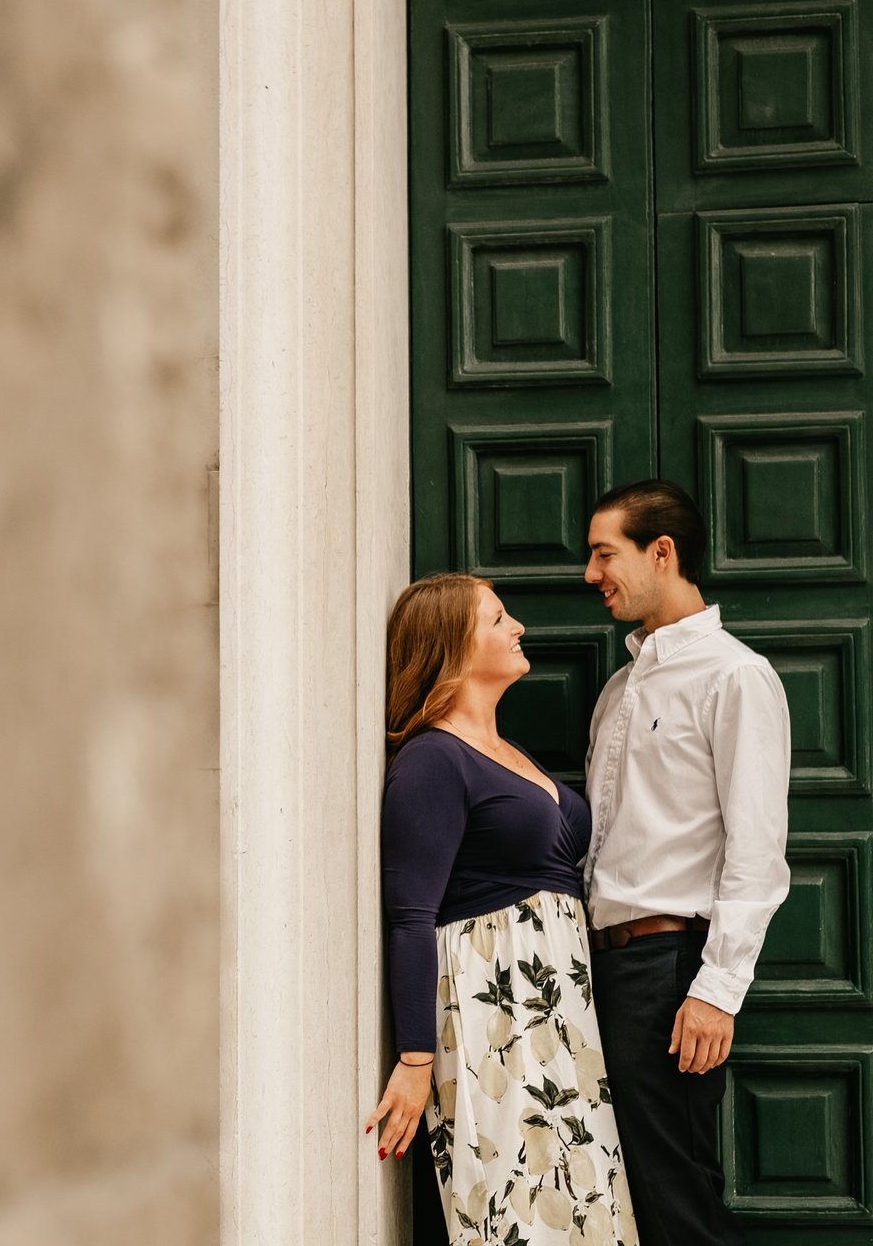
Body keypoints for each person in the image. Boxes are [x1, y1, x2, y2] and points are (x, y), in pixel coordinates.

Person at [370, 573, 639, 1245]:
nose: (518, 626)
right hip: (497, 1007)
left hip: (558, 1009)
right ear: (453, 647)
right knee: (519, 1208)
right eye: (497, 619)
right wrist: (413, 1059)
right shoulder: (433, 759)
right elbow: (409, 915)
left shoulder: (510, 754)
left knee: (582, 1205)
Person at [582, 480, 791, 1246]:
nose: (589, 573)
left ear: (661, 552)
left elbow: (757, 851)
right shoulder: (617, 691)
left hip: (671, 972)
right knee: (624, 1193)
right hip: (599, 971)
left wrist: (717, 991)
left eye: (606, 553)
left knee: (678, 1200)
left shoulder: (735, 677)